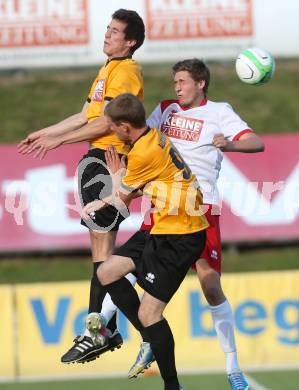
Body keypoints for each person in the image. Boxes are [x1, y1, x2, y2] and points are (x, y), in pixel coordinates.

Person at [92, 59, 264, 389]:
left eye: (183, 81)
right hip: (161, 206)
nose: (177, 87)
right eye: (175, 82)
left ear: (201, 84)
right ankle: (138, 336)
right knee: (123, 272)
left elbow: (257, 143)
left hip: (200, 210)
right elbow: (139, 137)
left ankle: (233, 367)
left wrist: (229, 144)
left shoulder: (219, 111)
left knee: (210, 285)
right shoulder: (166, 110)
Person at [17, 9, 145, 364]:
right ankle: (105, 327)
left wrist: (62, 142)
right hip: (97, 162)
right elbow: (87, 114)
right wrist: (49, 133)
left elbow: (106, 122)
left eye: (115, 31)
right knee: (100, 253)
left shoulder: (125, 71)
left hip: (108, 162)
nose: (107, 35)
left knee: (104, 255)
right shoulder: (107, 70)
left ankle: (103, 330)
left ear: (130, 41)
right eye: (107, 28)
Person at [82, 93, 208, 390]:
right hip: (164, 225)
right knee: (106, 272)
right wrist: (120, 182)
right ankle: (148, 335)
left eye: (112, 126)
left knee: (150, 312)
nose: (110, 131)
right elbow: (138, 187)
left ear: (125, 127)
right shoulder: (152, 138)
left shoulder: (143, 153)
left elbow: (121, 200)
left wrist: (107, 187)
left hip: (180, 234)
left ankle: (173, 386)